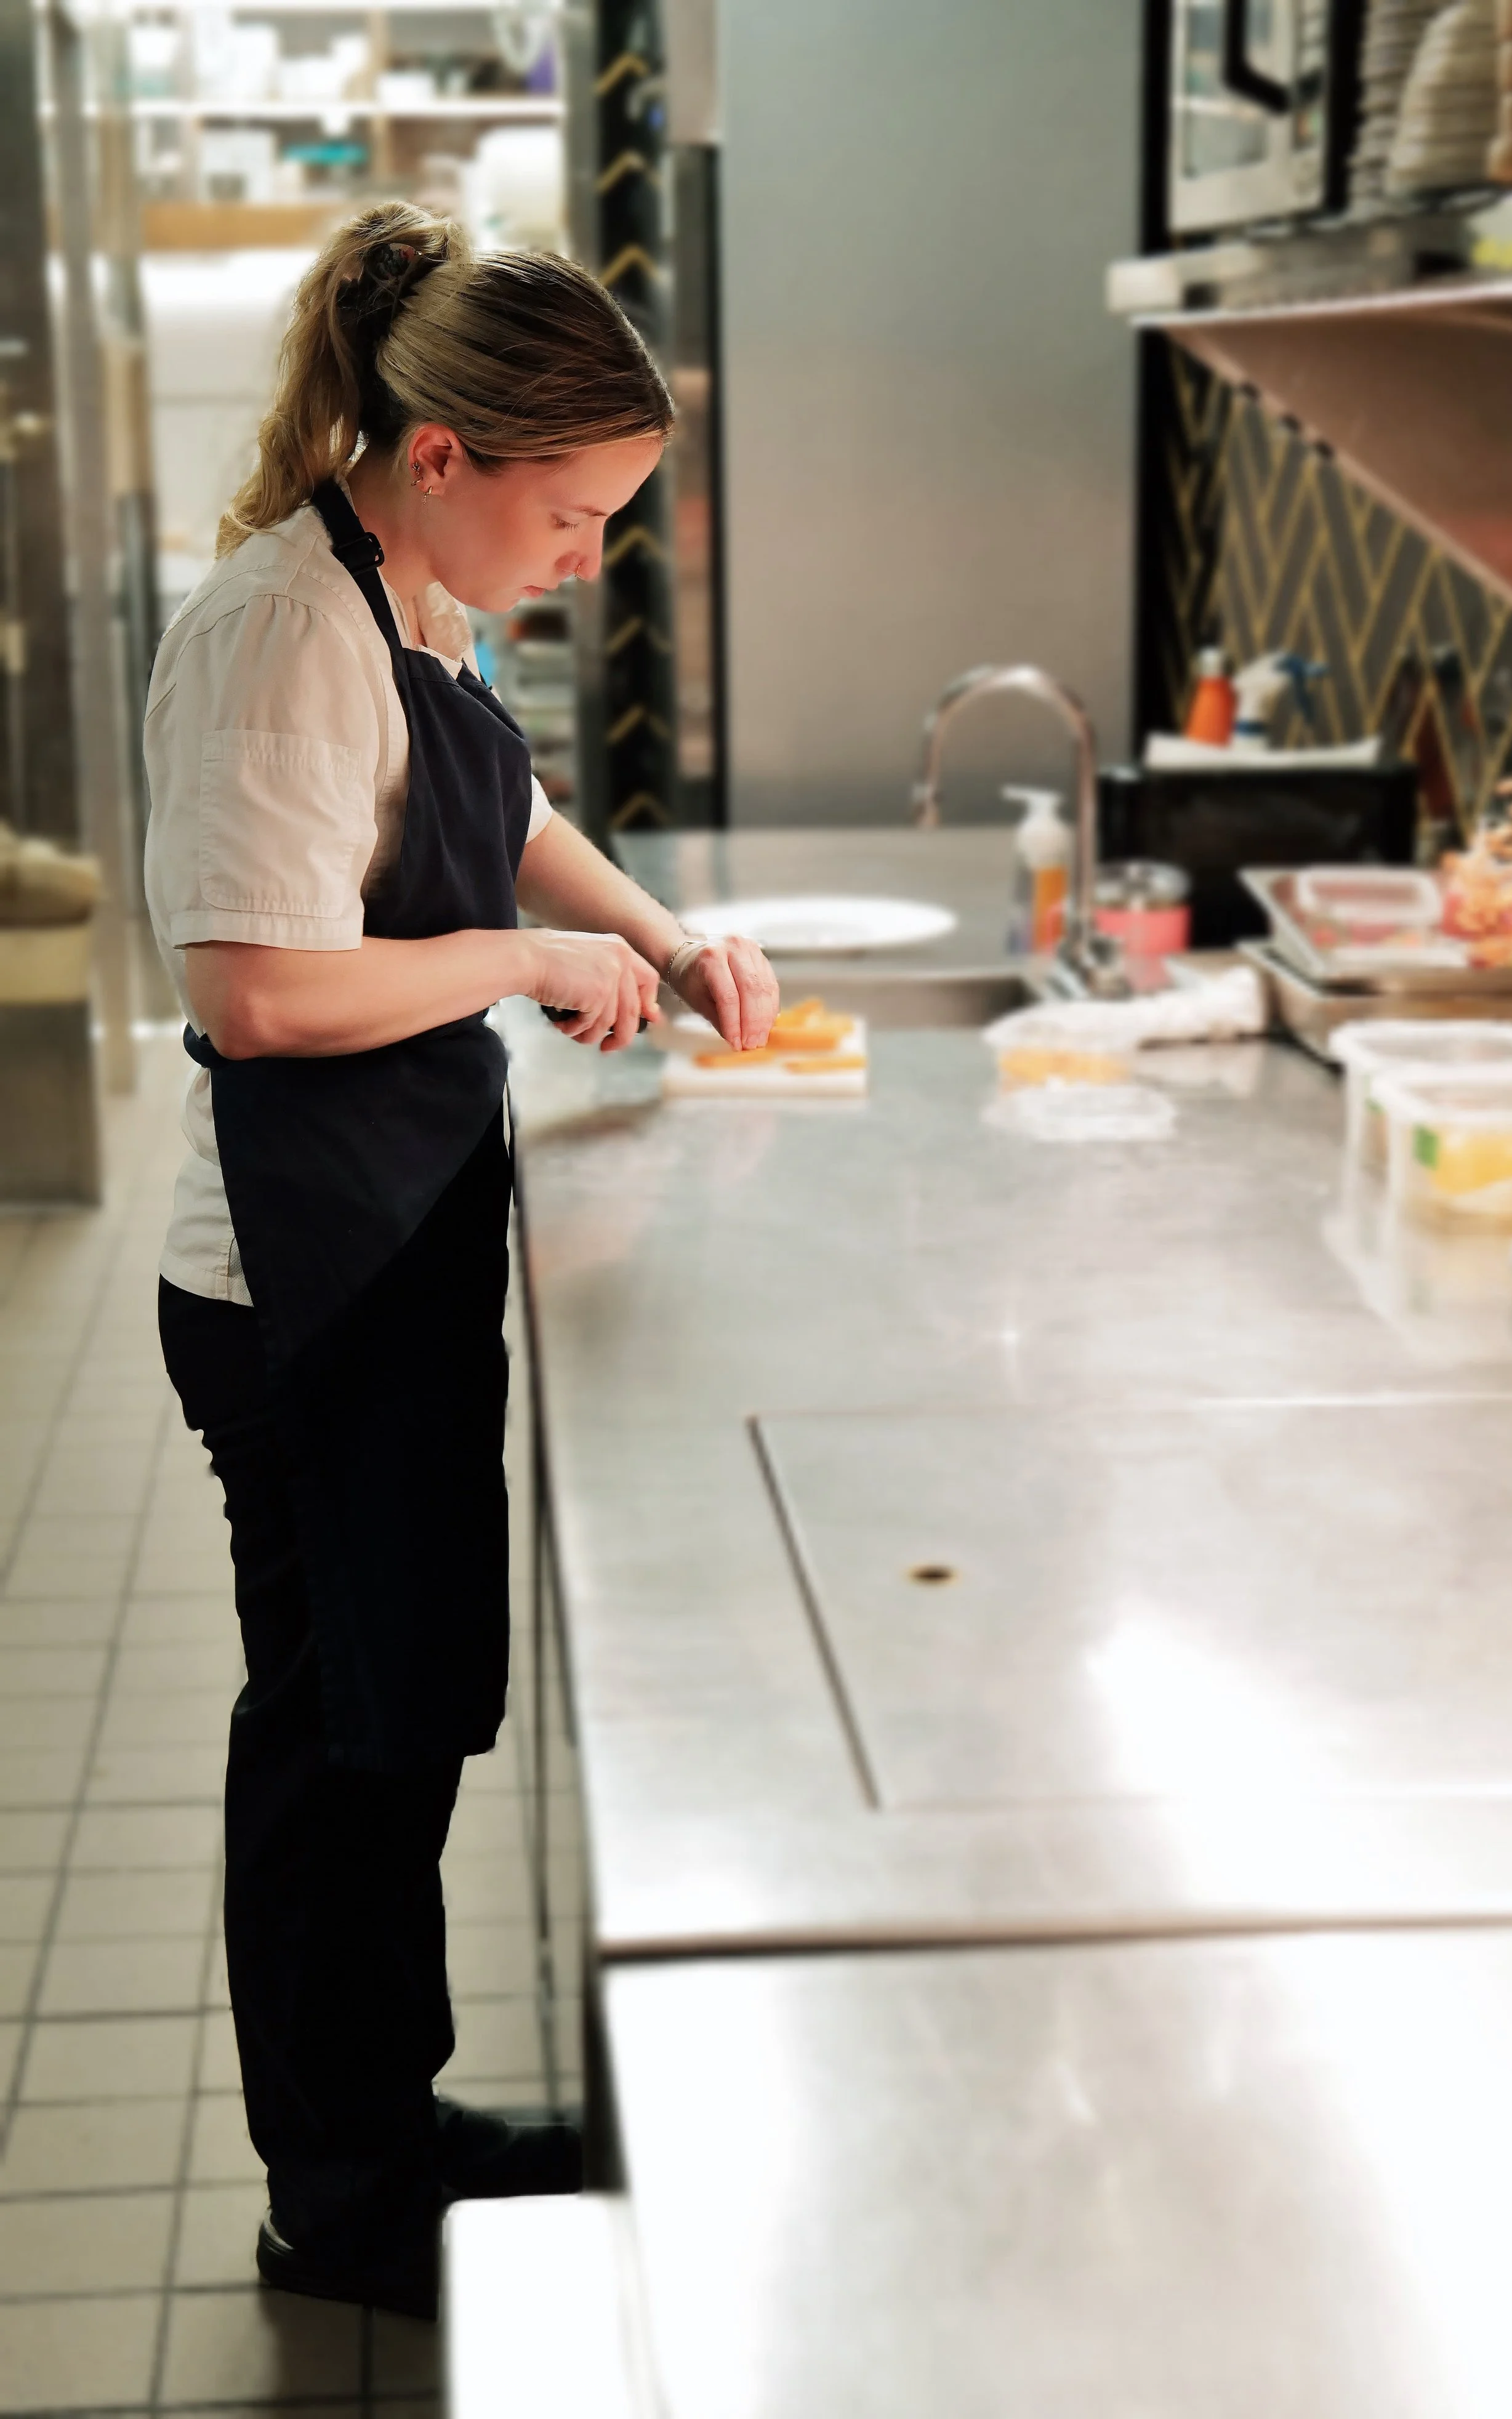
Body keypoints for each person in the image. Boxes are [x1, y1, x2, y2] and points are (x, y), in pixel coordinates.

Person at [144, 202, 778, 2323]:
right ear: (440, 456)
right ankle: (339, 2197)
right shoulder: (280, 635)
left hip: (391, 1237)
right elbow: (256, 993)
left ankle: (397, 2131)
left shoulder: (408, 596)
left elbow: (495, 818)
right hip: (294, 1289)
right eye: (576, 511)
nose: (592, 553)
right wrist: (530, 965)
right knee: (337, 1740)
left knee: (396, 1720)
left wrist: (668, 941)